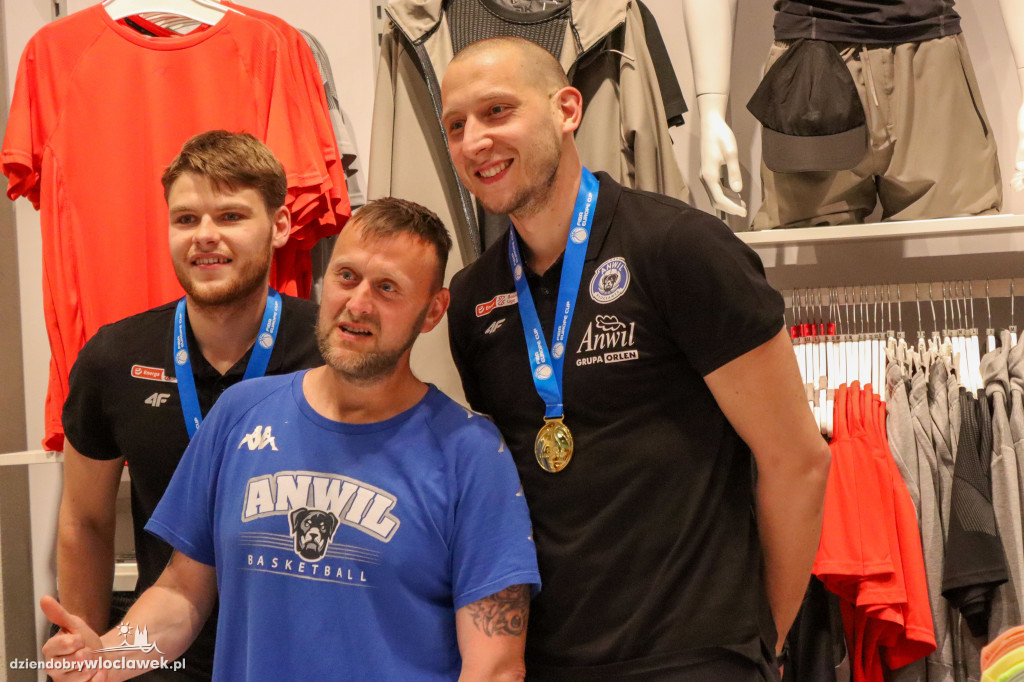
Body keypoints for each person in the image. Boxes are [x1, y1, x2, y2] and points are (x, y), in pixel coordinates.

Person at [440, 37, 832, 681]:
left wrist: (766, 641)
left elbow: (798, 461)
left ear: (567, 109)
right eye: (456, 125)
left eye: (497, 111)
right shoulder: (474, 299)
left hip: (691, 658)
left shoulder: (680, 248)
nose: (474, 141)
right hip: (549, 662)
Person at [42, 197, 541, 681]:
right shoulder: (239, 413)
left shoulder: (471, 453)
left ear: (432, 311)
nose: (357, 304)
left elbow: (495, 666)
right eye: (347, 276)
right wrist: (109, 654)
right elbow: (181, 594)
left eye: (387, 288)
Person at [54, 130, 326, 680]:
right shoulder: (114, 357)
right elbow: (85, 521)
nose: (204, 236)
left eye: (230, 216)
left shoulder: (331, 349)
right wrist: (89, 654)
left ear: (280, 226)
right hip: (158, 654)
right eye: (185, 219)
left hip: (306, 658)